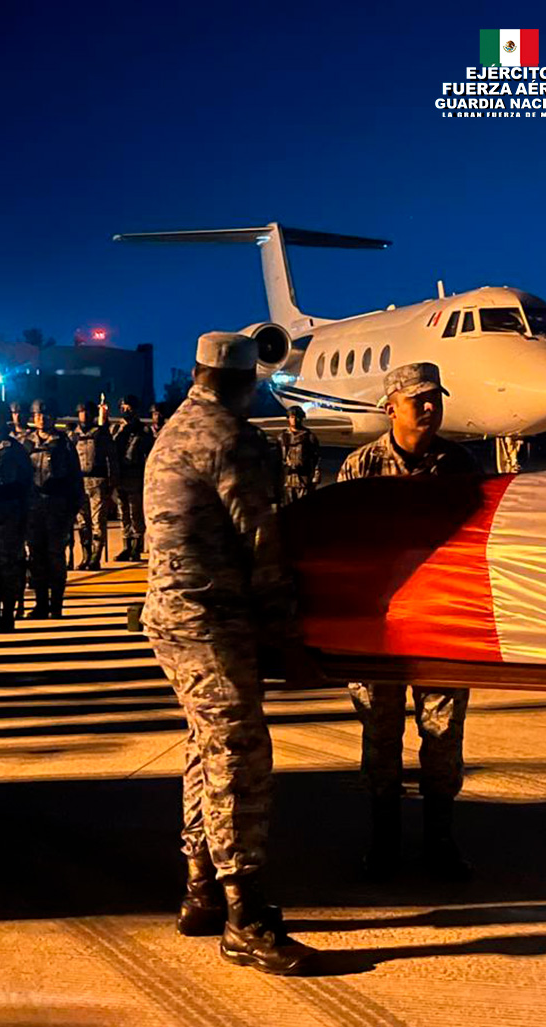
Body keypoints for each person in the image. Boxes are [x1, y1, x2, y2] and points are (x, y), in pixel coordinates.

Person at [143, 331, 317, 976]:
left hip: (170, 616)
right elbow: (262, 543)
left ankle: (200, 890)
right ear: (248, 382)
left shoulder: (175, 429)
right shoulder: (232, 438)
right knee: (240, 754)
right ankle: (247, 916)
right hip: (212, 619)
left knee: (204, 745)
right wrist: (288, 635)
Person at [338, 361, 479, 881]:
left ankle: (441, 841)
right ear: (389, 406)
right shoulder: (360, 466)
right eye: (417, 398)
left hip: (441, 622)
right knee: (380, 734)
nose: (429, 407)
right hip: (380, 627)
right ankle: (385, 843)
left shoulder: (461, 464)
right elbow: (343, 545)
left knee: (442, 734)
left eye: (434, 397)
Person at [23, 400, 83, 619]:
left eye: (45, 415)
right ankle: (40, 603)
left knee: (55, 556)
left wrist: (74, 508)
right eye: (38, 415)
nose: (42, 418)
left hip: (57, 508)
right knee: (36, 556)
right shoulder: (25, 444)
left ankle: (56, 603)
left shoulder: (64, 444)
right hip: (33, 508)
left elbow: (75, 477)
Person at [0, 399, 31, 631]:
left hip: (9, 514)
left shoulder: (15, 450)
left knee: (8, 565)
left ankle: (8, 613)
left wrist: (24, 518)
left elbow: (26, 485)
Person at [70, 400, 118, 570]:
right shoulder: (73, 435)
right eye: (81, 412)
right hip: (79, 482)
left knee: (98, 521)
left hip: (98, 481)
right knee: (83, 522)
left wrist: (112, 481)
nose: (84, 415)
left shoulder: (101, 433)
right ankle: (86, 555)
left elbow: (112, 458)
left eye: (87, 412)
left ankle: (95, 558)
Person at [113, 394, 153, 561]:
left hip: (136, 475)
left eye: (128, 407)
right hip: (120, 475)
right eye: (123, 407)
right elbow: (111, 447)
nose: (125, 410)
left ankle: (136, 546)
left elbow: (148, 452)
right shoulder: (117, 429)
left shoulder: (142, 430)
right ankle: (126, 545)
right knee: (123, 513)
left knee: (135, 512)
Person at [279, 405, 321, 505]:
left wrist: (316, 477)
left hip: (304, 480)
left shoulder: (309, 437)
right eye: (292, 417)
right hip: (287, 481)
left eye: (297, 417)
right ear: (288, 418)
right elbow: (277, 459)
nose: (295, 420)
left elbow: (316, 458)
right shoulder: (282, 437)